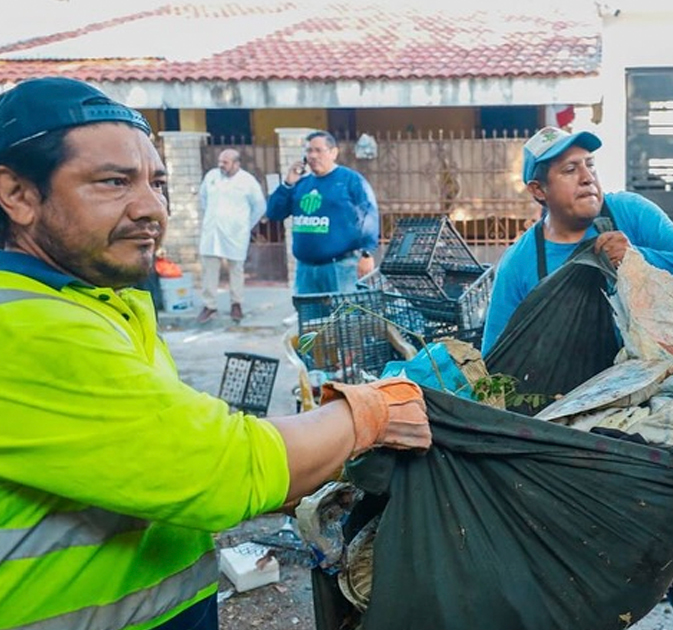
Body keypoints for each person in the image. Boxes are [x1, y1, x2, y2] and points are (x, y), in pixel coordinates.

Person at [0, 77, 431, 630]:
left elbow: (161, 450)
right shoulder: (24, 325)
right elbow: (221, 468)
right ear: (17, 194)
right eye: (113, 182)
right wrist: (369, 412)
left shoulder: (100, 299)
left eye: (157, 183)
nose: (151, 208)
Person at [482, 127, 673, 630]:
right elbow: (496, 359)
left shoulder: (628, 215)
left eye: (589, 166)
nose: (587, 178)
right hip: (577, 415)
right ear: (538, 190)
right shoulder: (521, 264)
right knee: (584, 552)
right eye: (569, 170)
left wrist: (636, 258)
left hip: (655, 400)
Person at [266, 130, 378, 294]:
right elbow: (274, 213)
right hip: (306, 270)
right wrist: (287, 184)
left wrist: (367, 253)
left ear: (333, 152)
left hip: (340, 268)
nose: (313, 156)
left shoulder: (350, 180)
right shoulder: (300, 184)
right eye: (309, 151)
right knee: (309, 318)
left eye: (318, 150)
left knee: (343, 318)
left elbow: (369, 216)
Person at [197, 149, 266, 323]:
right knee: (209, 269)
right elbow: (203, 198)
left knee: (236, 269)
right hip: (212, 232)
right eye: (220, 161)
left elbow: (259, 206)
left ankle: (236, 304)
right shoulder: (211, 176)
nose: (221, 165)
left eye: (225, 162)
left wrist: (245, 225)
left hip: (236, 233)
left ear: (236, 163)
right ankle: (209, 306)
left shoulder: (247, 181)